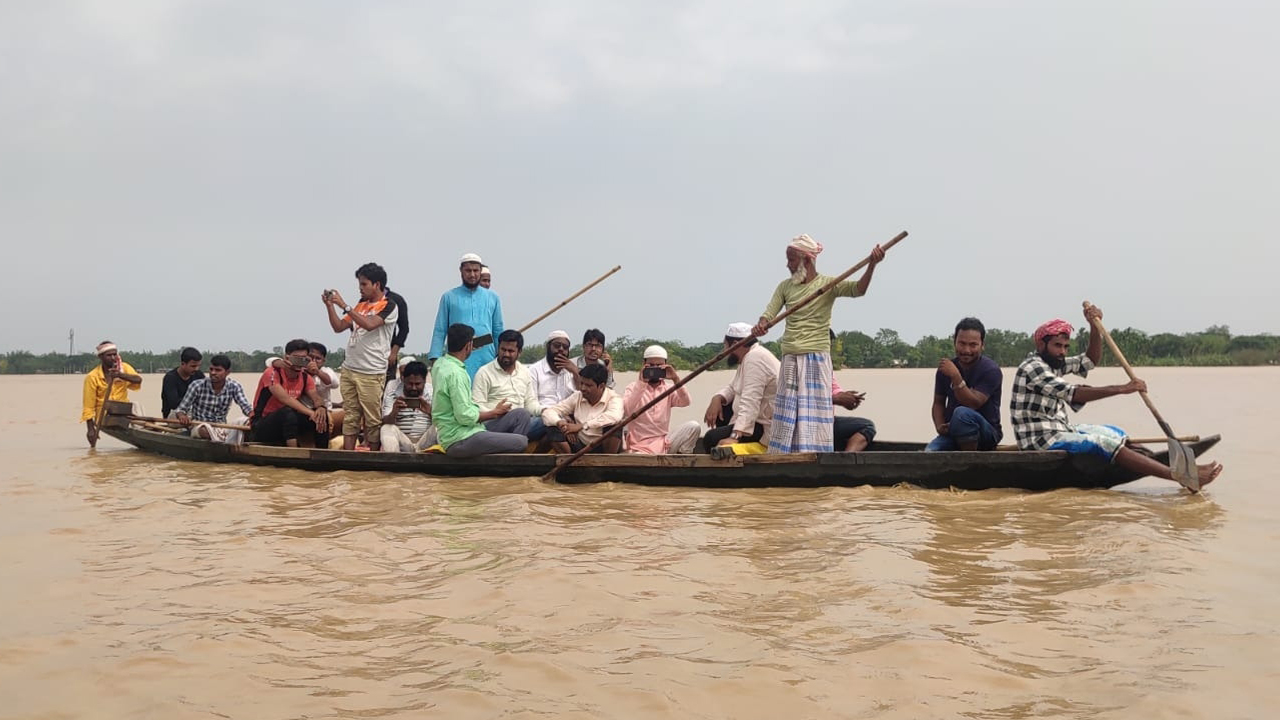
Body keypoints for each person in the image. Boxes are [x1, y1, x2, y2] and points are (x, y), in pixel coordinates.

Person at [1010, 306, 1223, 487]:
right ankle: (1177, 476)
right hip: (1040, 440)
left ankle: (1181, 468)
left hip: (1061, 429)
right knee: (1102, 442)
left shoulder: (1054, 363)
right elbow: (1074, 393)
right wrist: (1122, 389)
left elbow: (1090, 360)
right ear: (1041, 345)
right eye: (1057, 346)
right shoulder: (1033, 367)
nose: (1063, 352)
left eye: (1066, 347)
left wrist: (1094, 326)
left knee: (1115, 433)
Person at [752, 234, 885, 453]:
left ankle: (814, 455)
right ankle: (783, 455)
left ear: (806, 260)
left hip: (816, 357)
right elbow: (768, 314)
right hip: (790, 358)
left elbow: (858, 289)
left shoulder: (828, 284)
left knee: (813, 412)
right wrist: (761, 325)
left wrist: (872, 264)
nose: (787, 265)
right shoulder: (785, 287)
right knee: (787, 414)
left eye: (791, 260)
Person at [324, 262, 399, 450]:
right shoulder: (361, 305)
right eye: (359, 284)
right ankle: (348, 456)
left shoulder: (389, 305)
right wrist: (330, 306)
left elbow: (370, 324)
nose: (360, 288)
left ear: (377, 284)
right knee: (351, 415)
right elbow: (339, 327)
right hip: (350, 368)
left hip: (371, 371)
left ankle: (372, 457)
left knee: (372, 418)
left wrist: (344, 305)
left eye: (364, 284)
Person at [430, 323, 530, 457]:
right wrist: (493, 413)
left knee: (521, 415)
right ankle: (503, 463)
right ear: (468, 346)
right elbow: (464, 416)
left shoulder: (440, 364)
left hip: (470, 430)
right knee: (521, 442)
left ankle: (505, 456)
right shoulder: (456, 374)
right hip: (459, 439)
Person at [926, 317, 1003, 451]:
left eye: (973, 345)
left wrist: (956, 377)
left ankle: (969, 459)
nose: (966, 350)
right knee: (930, 453)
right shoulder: (945, 370)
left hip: (986, 434)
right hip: (954, 432)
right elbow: (938, 402)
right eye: (962, 344)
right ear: (954, 342)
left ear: (982, 345)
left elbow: (973, 403)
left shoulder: (991, 370)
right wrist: (939, 426)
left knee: (962, 414)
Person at [701, 323, 780, 450]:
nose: (725, 351)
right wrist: (717, 398)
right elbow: (733, 388)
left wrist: (735, 436)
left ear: (734, 344)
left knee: (710, 438)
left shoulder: (755, 358)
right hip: (753, 421)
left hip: (762, 426)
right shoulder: (748, 357)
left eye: (725, 346)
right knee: (723, 408)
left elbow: (750, 401)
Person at [429, 253, 504, 380]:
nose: (472, 275)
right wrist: (435, 357)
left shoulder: (493, 297)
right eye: (468, 271)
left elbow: (498, 329)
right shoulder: (449, 297)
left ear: (480, 271)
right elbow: (440, 329)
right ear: (461, 271)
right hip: (457, 359)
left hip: (487, 358)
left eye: (476, 270)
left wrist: (500, 354)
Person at [249, 339, 330, 448]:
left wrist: (320, 407)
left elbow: (315, 397)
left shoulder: (305, 377)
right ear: (287, 358)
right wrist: (310, 413)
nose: (299, 362)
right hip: (262, 423)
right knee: (288, 412)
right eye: (296, 358)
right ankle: (293, 451)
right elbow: (285, 399)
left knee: (321, 416)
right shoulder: (272, 373)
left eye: (303, 359)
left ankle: (322, 451)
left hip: (288, 421)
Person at [621, 345, 701, 454]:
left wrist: (676, 379)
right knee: (640, 457)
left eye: (659, 366)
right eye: (651, 365)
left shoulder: (668, 389)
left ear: (665, 365)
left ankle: (682, 459)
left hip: (664, 443)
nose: (655, 369)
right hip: (639, 447)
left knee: (693, 426)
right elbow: (627, 410)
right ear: (644, 365)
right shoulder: (633, 387)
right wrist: (642, 383)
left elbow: (685, 402)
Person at [473, 329, 545, 440]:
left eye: (510, 351)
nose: (506, 354)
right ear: (498, 348)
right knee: (521, 414)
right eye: (503, 350)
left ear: (519, 352)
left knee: (550, 421)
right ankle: (515, 445)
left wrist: (545, 411)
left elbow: (530, 402)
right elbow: (477, 406)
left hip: (522, 423)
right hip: (493, 424)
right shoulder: (484, 372)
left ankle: (516, 442)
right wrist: (495, 411)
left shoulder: (524, 371)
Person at [542, 362, 624, 454]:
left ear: (601, 386)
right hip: (580, 445)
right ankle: (568, 460)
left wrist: (581, 426)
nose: (583, 388)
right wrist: (561, 423)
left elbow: (614, 416)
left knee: (615, 426)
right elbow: (549, 412)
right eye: (581, 383)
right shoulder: (577, 396)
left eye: (588, 385)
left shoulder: (614, 398)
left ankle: (608, 461)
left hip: (602, 447)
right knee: (552, 426)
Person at [174, 354, 252, 443]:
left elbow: (246, 406)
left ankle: (224, 438)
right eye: (211, 369)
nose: (213, 373)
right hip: (200, 425)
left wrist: (253, 417)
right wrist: (182, 416)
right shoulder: (197, 385)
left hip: (222, 427)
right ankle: (225, 440)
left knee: (245, 422)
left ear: (227, 372)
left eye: (218, 370)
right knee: (205, 431)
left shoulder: (234, 386)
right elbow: (181, 409)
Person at [81, 340, 144, 448]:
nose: (113, 358)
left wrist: (120, 375)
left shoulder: (123, 368)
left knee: (137, 407)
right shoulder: (92, 377)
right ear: (101, 357)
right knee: (133, 424)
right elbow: (88, 406)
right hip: (105, 415)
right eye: (109, 355)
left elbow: (138, 380)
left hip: (123, 411)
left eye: (115, 354)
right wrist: (90, 429)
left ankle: (145, 430)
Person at [380, 360, 437, 452]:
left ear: (424, 381)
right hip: (403, 442)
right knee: (386, 428)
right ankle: (393, 459)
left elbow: (443, 420)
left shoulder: (433, 395)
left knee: (440, 426)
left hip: (425, 442)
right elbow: (385, 422)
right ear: (403, 379)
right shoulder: (393, 395)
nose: (414, 388)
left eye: (417, 384)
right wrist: (394, 412)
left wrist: (430, 411)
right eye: (410, 384)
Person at [528, 330, 578, 411]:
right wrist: (551, 413)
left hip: (567, 414)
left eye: (565, 347)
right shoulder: (534, 370)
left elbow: (582, 398)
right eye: (557, 345)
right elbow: (531, 403)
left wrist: (575, 371)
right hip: (542, 414)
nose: (561, 349)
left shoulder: (571, 371)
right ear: (548, 346)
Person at [832, 377, 877, 452]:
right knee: (867, 425)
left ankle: (848, 457)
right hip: (813, 424)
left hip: (827, 421)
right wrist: (835, 399)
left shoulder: (826, 370)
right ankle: (847, 458)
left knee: (867, 427)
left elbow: (833, 387)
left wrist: (845, 398)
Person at [161, 347, 204, 418]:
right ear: (183, 364)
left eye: (198, 366)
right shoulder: (170, 378)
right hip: (174, 413)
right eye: (193, 366)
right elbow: (173, 403)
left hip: (194, 411)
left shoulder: (199, 375)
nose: (196, 369)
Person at [383, 284, 411, 380]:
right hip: (367, 355)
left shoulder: (396, 300)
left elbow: (404, 329)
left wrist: (394, 353)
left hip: (388, 352)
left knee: (388, 384)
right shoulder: (365, 301)